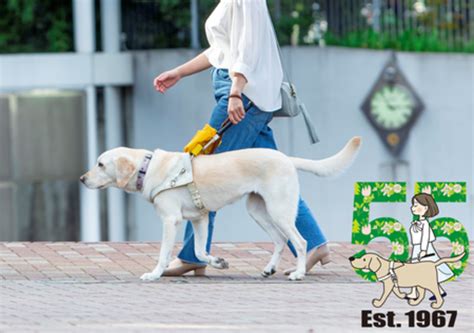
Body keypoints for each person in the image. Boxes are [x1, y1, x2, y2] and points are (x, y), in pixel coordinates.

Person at [153, 0, 329, 276]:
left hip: (242, 97)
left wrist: (236, 92)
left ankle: (193, 255)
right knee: (273, 175)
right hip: (245, 96)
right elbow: (222, 51)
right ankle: (314, 244)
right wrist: (180, 72)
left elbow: (249, 50)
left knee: (200, 171)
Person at [406, 193, 453, 301]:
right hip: (417, 249)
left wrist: (423, 250)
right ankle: (438, 291)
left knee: (421, 271)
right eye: (413, 205)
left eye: (416, 205)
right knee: (420, 271)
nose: (413, 208)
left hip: (424, 249)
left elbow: (425, 238)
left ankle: (415, 293)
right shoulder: (417, 222)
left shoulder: (425, 224)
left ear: (426, 208)